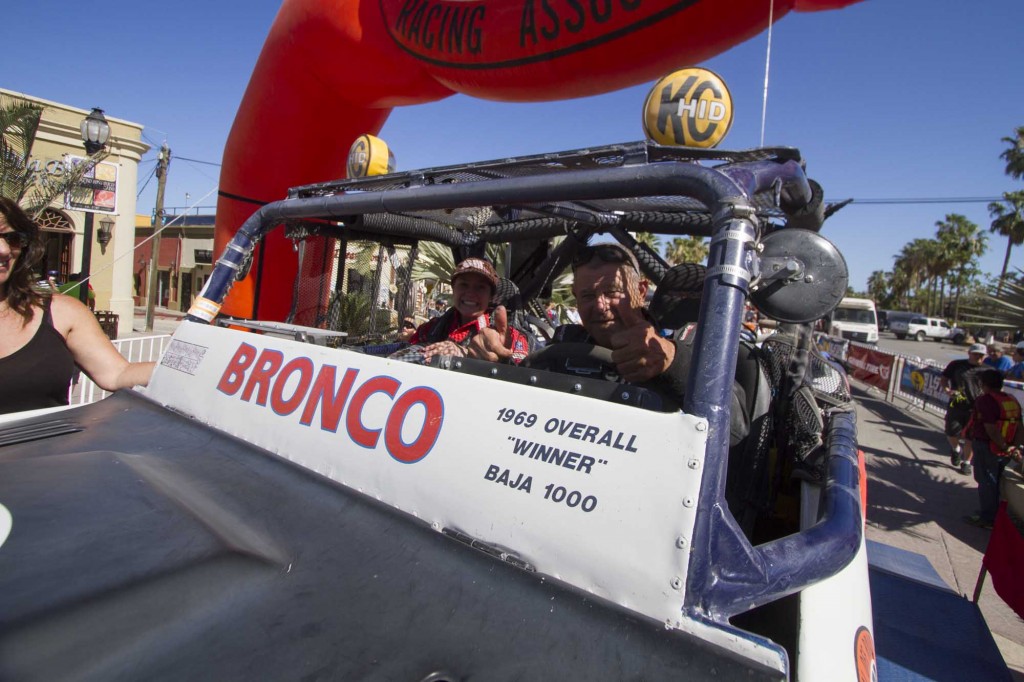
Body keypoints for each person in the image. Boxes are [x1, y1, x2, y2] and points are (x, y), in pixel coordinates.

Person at [0, 198, 154, 415]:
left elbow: (117, 374)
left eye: (13, 238)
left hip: (50, 448)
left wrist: (197, 369)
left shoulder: (61, 312)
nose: (4, 250)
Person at [403, 257, 531, 364]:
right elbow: (405, 354)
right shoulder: (430, 328)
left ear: (491, 296)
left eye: (480, 287)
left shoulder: (508, 334)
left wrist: (465, 353)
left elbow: (523, 371)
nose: (470, 293)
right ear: (453, 289)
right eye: (464, 285)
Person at [963, 369, 1023, 529]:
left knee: (987, 482)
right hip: (1004, 449)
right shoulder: (1011, 400)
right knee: (993, 481)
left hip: (987, 446)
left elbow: (991, 429)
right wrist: (1013, 447)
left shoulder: (985, 400)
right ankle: (992, 513)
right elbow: (1019, 426)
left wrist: (1004, 446)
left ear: (984, 385)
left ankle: (988, 518)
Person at [940, 343, 987, 475]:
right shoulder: (956, 365)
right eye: (975, 354)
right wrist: (947, 390)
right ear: (969, 353)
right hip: (957, 404)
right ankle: (956, 450)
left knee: (971, 437)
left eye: (981, 355)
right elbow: (944, 379)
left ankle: (966, 463)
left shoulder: (988, 370)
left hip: (976, 408)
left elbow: (996, 388)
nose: (978, 357)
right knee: (951, 431)